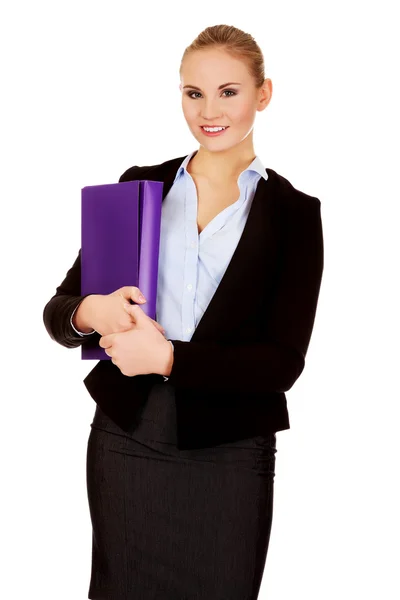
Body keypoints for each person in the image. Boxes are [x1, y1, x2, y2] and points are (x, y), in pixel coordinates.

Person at [43, 24, 324, 600]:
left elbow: (281, 364)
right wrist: (91, 311)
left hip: (230, 450)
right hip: (126, 438)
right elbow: (58, 313)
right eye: (193, 93)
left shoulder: (295, 214)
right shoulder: (140, 186)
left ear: (263, 94)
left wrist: (170, 358)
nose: (208, 110)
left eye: (228, 91)